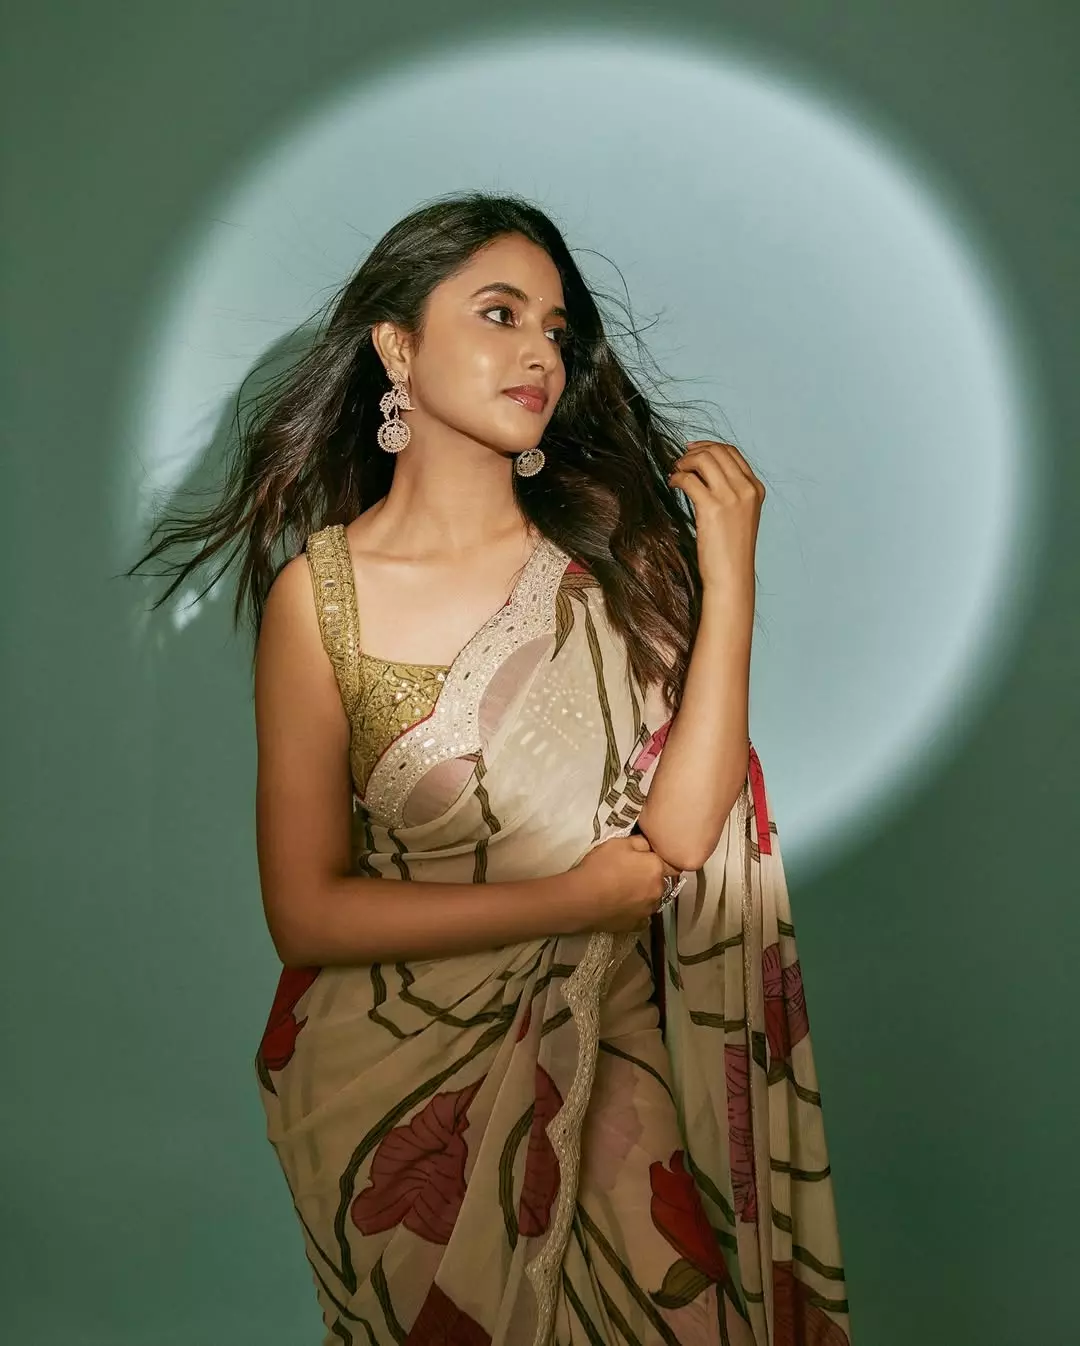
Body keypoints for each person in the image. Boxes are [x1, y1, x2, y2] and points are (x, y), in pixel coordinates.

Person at [129, 191, 851, 1345]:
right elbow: (306, 911)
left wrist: (731, 576)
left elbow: (677, 838)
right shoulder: (321, 603)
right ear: (396, 347)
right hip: (390, 1092)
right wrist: (570, 897)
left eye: (556, 330)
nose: (539, 353)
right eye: (500, 313)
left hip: (600, 1038)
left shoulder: (610, 564)